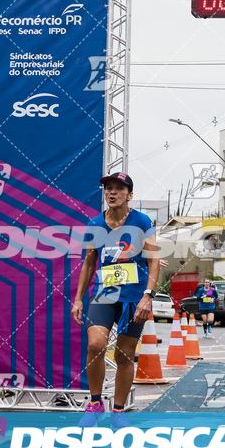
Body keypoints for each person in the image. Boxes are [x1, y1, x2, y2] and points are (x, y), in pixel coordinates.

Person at [71, 172, 159, 429]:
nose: (112, 192)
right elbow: (89, 263)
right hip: (104, 293)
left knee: (124, 355)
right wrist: (78, 299)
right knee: (95, 344)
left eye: (119, 188)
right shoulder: (95, 224)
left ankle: (118, 412)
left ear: (129, 195)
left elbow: (154, 261)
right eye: (109, 188)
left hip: (134, 295)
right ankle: (96, 404)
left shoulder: (142, 221)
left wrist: (148, 296)